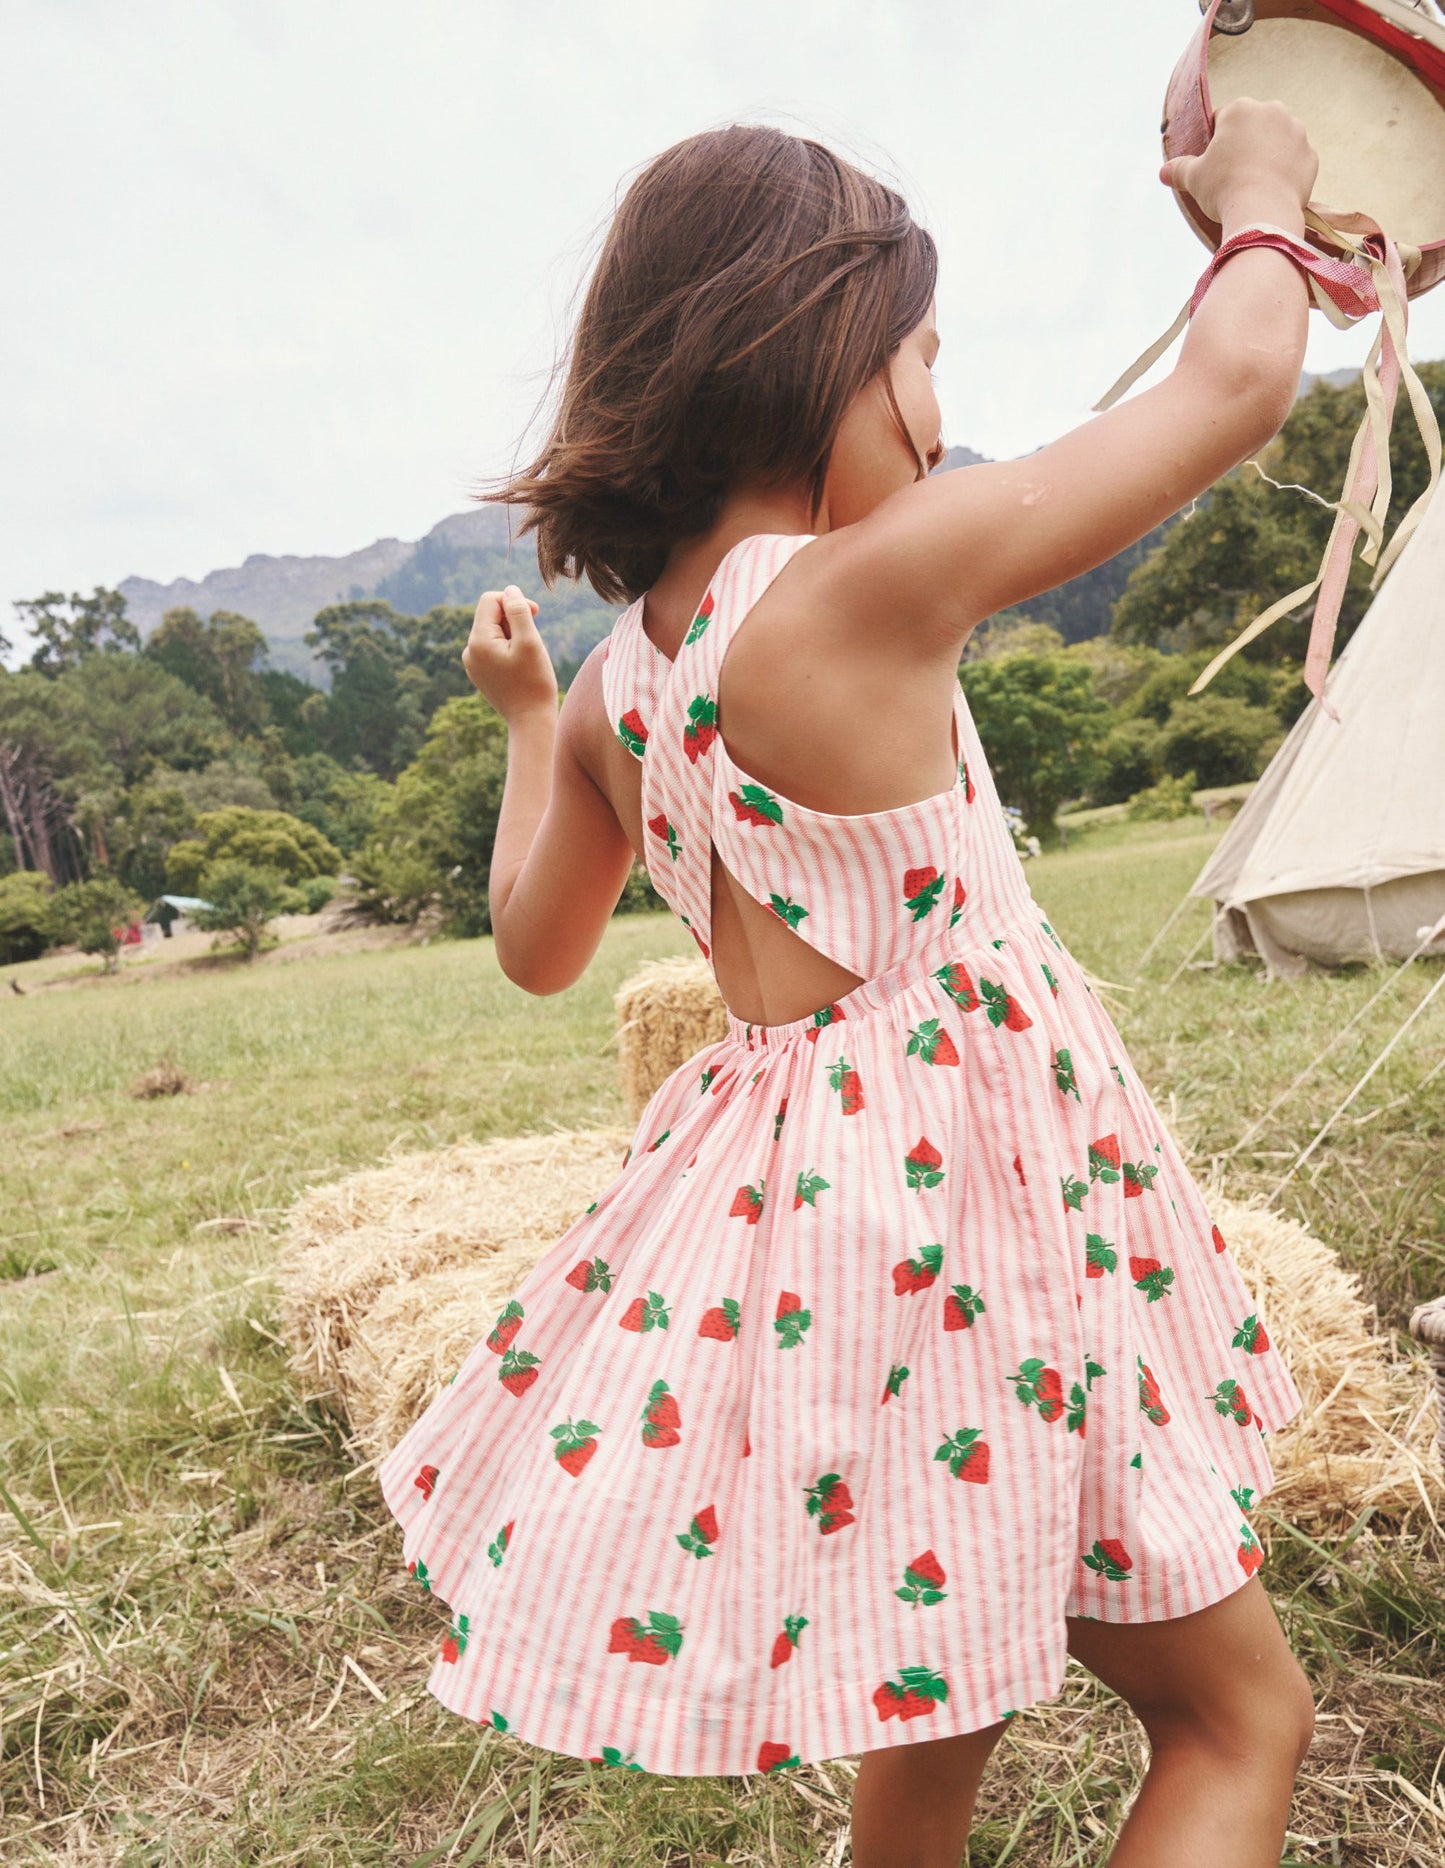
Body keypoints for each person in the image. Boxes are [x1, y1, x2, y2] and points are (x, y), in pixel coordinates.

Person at [378, 108, 1319, 1867]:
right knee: (1232, 1716)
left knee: (929, 1697)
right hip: (971, 1218)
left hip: (805, 1250)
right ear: (824, 347)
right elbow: (1237, 386)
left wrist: (524, 726)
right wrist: (1262, 196)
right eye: (924, 354)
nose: (939, 412)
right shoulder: (854, 588)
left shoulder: (613, 691)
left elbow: (533, 947)